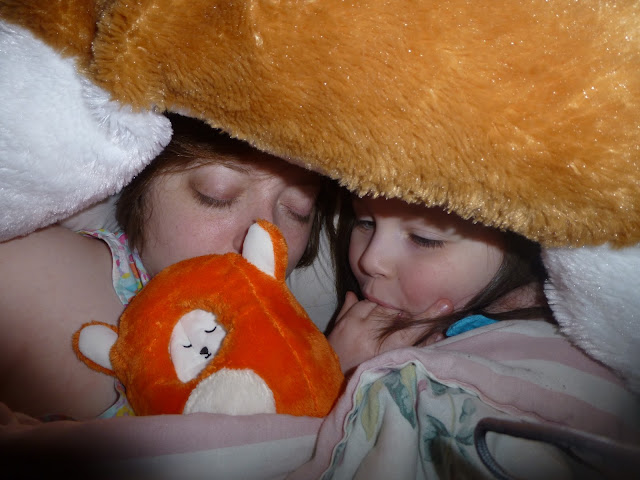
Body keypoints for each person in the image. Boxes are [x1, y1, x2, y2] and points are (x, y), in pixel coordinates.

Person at [0, 113, 336, 420]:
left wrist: (335, 394)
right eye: (216, 195)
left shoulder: (299, 342)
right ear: (140, 182)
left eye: (298, 210)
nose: (262, 236)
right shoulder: (34, 278)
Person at [325, 191, 553, 375]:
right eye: (366, 223)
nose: (370, 261)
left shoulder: (527, 362)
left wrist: (337, 375)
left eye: (423, 239)